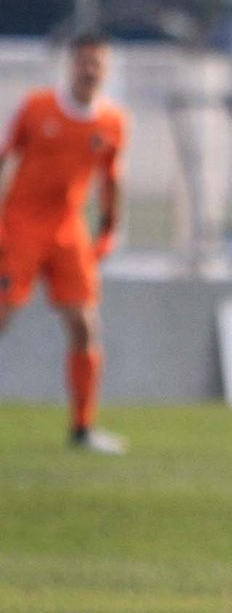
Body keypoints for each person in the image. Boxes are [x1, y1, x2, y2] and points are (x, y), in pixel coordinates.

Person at [0, 33, 129, 454]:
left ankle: (82, 427)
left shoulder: (111, 122)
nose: (90, 70)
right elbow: (5, 155)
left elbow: (111, 178)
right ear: (71, 65)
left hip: (68, 229)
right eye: (84, 62)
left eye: (98, 64)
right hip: (19, 224)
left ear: (106, 71)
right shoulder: (38, 108)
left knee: (85, 325)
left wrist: (109, 228)